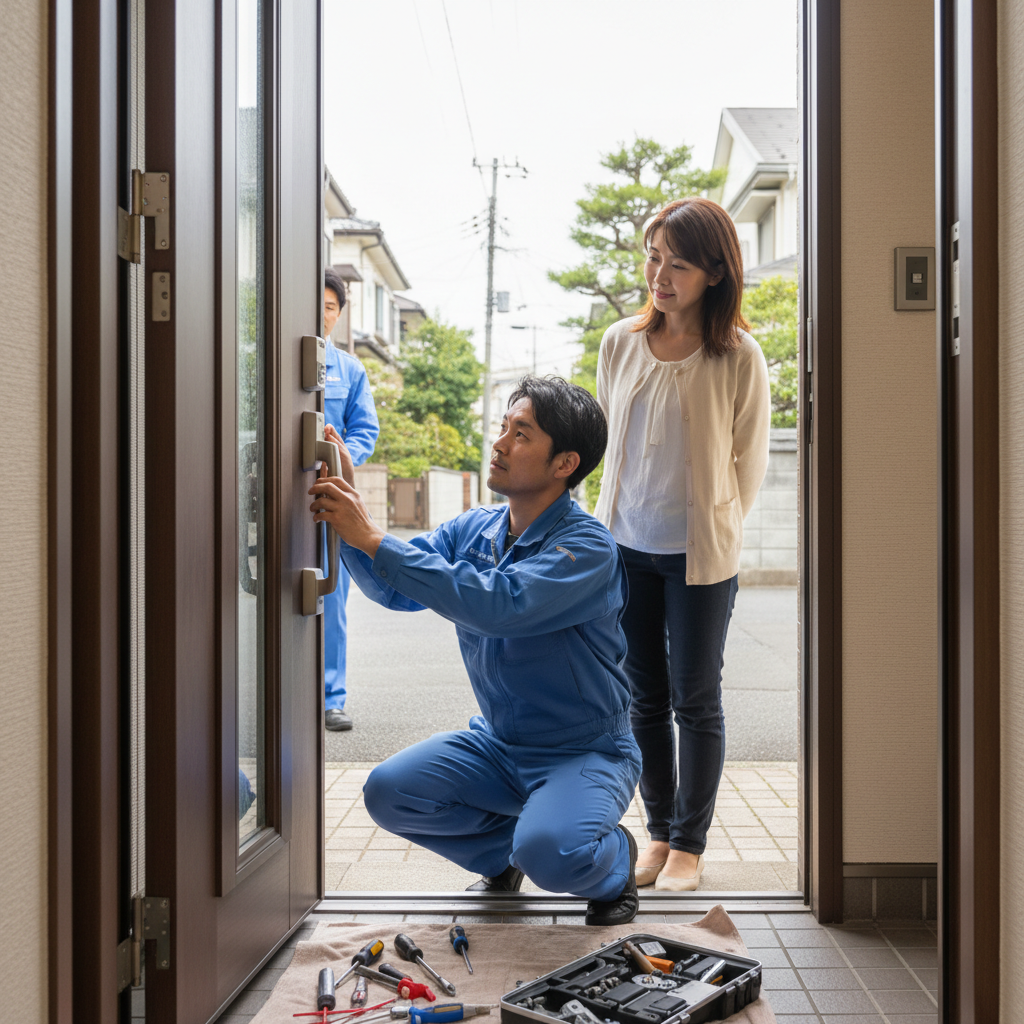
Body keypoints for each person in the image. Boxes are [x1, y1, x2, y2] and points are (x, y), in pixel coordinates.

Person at [308, 376, 642, 925]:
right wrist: (350, 510)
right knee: (389, 792)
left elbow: (501, 605)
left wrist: (370, 537)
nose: (500, 443)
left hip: (584, 752)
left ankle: (613, 861)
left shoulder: (588, 548)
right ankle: (506, 854)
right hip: (499, 743)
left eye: (521, 434)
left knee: (554, 856)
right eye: (503, 428)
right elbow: (394, 586)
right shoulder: (475, 529)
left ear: (565, 463)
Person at [594, 197, 771, 891]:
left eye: (680, 263)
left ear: (716, 274)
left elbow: (748, 463)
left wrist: (717, 525)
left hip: (700, 557)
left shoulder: (738, 355)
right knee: (642, 699)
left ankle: (691, 846)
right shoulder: (619, 342)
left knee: (696, 698)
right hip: (625, 549)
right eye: (654, 256)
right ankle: (659, 836)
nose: (659, 274)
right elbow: (605, 447)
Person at [321, 267, 380, 731]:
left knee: (330, 595)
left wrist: (341, 460)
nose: (322, 315)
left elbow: (366, 430)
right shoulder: (265, 359)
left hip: (330, 497)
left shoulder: (348, 368)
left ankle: (330, 697)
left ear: (339, 315)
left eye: (330, 307)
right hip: (277, 498)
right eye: (314, 305)